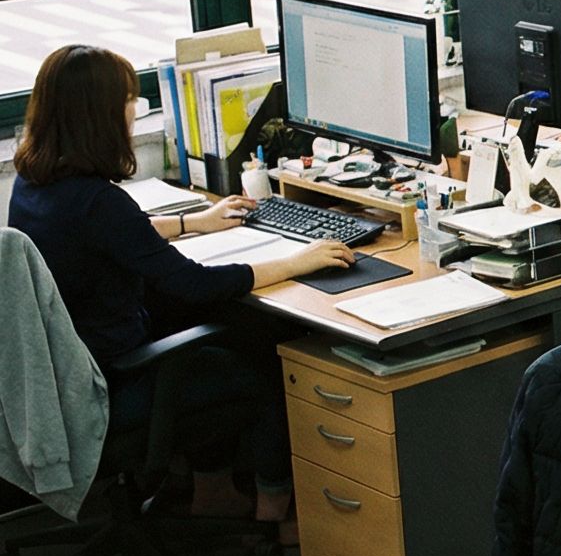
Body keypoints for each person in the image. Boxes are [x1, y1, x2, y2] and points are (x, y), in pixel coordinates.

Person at [7, 44, 355, 527]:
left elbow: (113, 236)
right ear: (101, 115)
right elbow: (195, 283)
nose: (134, 110)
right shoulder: (97, 201)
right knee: (263, 346)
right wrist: (297, 261)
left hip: (75, 362)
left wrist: (194, 223)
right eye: (129, 100)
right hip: (113, 376)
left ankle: (210, 490)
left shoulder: (33, 179)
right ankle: (277, 508)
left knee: (195, 320)